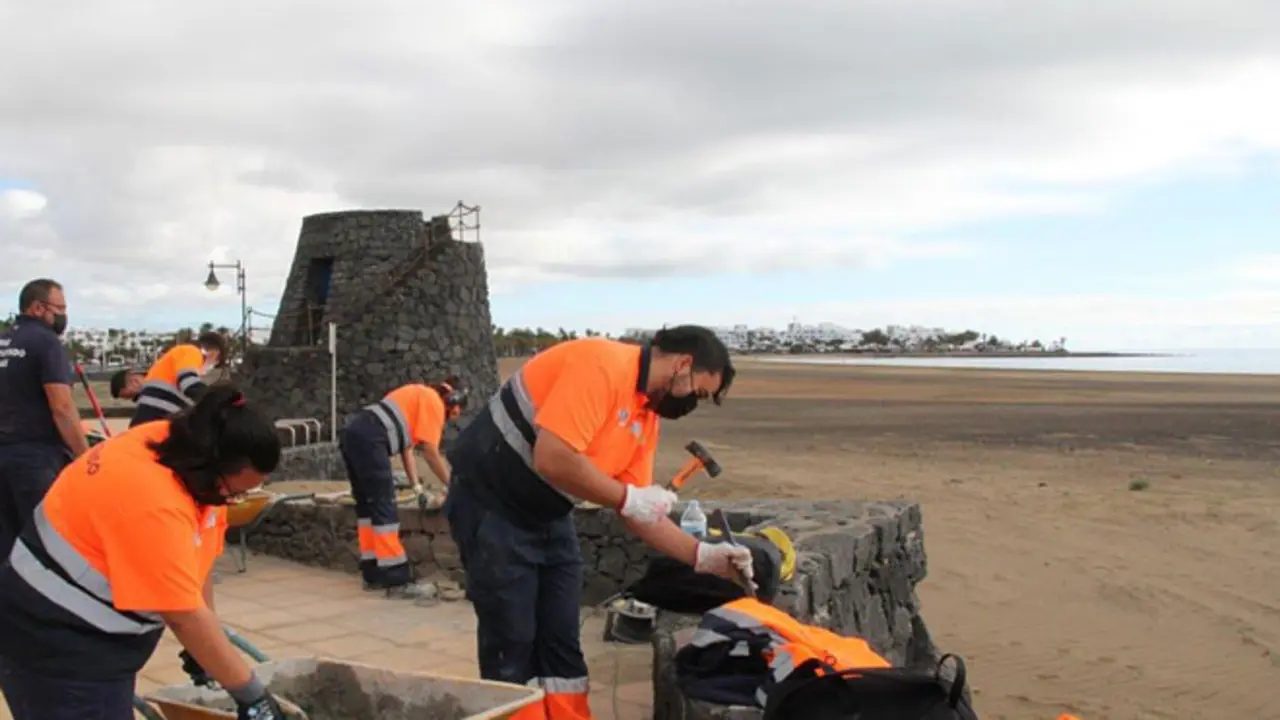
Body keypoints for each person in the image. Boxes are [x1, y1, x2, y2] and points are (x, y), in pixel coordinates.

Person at [443, 326, 749, 720]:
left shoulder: (644, 415)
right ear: (683, 364)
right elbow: (553, 458)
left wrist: (705, 556)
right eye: (698, 392)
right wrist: (628, 496)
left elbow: (640, 514)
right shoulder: (601, 366)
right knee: (512, 639)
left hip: (547, 513)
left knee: (561, 640)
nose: (693, 402)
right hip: (490, 505)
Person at [0, 381, 292, 720]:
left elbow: (198, 561)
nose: (231, 500)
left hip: (93, 641)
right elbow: (182, 614)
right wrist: (251, 695)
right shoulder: (151, 498)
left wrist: (207, 646)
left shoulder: (186, 450)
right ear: (211, 464)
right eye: (234, 491)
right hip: (55, 646)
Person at [338, 376, 469, 600]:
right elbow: (430, 451)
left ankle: (373, 572)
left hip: (354, 433)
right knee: (383, 504)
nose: (454, 415)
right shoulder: (433, 402)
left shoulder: (416, 395)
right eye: (457, 409)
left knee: (367, 508)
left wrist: (416, 486)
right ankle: (396, 577)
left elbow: (407, 449)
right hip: (371, 439)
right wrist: (454, 485)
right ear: (453, 400)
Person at [0, 278, 89, 561]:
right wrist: (84, 455)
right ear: (38, 308)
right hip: (35, 456)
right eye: (59, 308)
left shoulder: (3, 340)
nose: (63, 315)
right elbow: (62, 406)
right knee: (46, 543)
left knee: (8, 544)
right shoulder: (45, 341)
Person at [110, 330, 228, 428]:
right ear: (214, 353)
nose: (212, 367)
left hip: (147, 427)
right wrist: (224, 403)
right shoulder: (191, 351)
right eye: (216, 362)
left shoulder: (168, 363)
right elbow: (189, 384)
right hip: (155, 424)